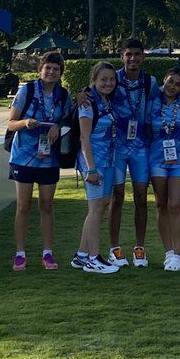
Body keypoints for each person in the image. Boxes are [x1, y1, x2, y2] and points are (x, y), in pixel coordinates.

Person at [6, 51, 71, 272]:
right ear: (40, 69)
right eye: (48, 67)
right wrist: (25, 122)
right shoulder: (28, 90)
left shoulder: (63, 94)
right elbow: (10, 123)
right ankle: (20, 254)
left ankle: (47, 252)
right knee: (23, 206)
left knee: (47, 205)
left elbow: (67, 121)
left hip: (49, 159)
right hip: (23, 157)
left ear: (61, 73)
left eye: (56, 69)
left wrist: (57, 126)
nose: (51, 72)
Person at [108, 39, 160, 268]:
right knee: (116, 197)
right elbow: (94, 93)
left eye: (137, 54)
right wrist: (81, 95)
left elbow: (158, 109)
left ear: (143, 57)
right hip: (116, 147)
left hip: (141, 147)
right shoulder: (112, 78)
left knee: (141, 197)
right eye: (128, 54)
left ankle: (140, 247)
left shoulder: (150, 82)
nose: (133, 59)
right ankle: (115, 249)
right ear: (122, 56)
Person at [71, 61, 121, 274]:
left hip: (107, 159)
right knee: (96, 209)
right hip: (93, 162)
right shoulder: (87, 103)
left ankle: (81, 255)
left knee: (102, 205)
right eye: (103, 79)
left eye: (111, 79)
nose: (108, 83)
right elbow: (84, 137)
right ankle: (94, 258)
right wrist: (91, 168)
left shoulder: (105, 101)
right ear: (94, 80)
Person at [148, 67, 180, 271]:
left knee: (175, 205)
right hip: (157, 159)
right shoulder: (151, 103)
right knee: (161, 205)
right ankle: (168, 251)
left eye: (177, 84)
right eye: (170, 82)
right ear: (163, 80)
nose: (172, 87)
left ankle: (178, 254)